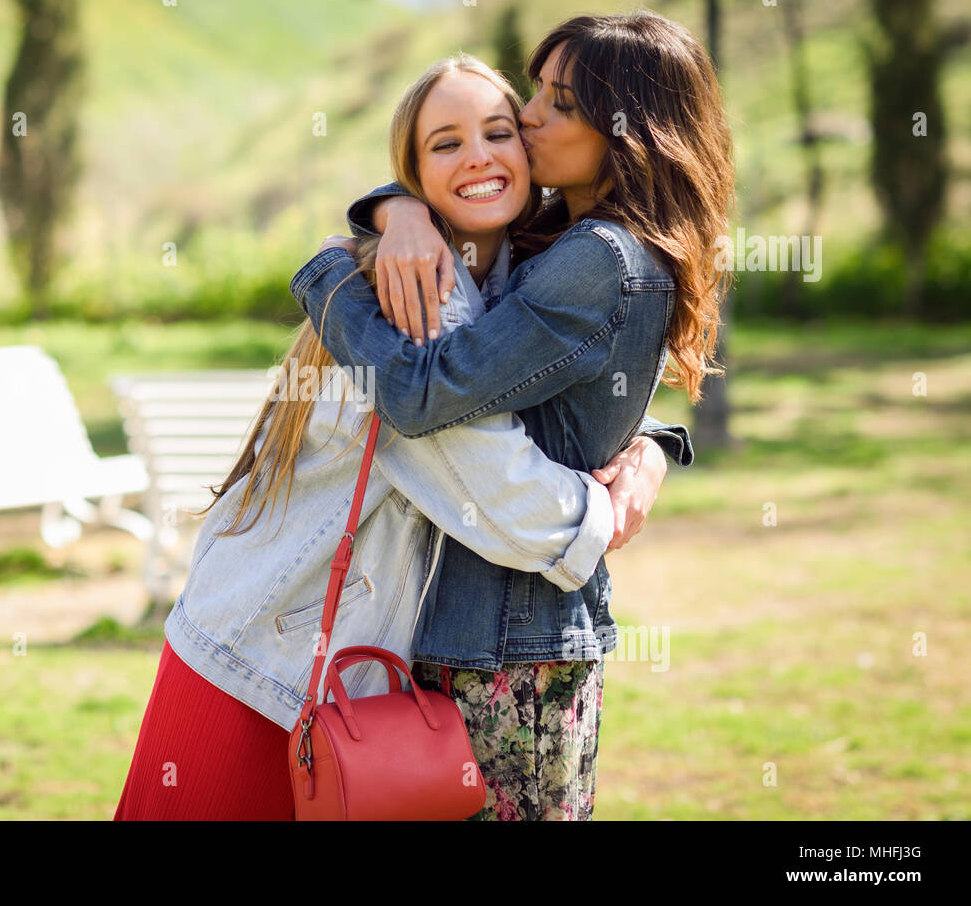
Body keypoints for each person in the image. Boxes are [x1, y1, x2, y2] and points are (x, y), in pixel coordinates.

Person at [114, 51, 688, 820]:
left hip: (339, 675)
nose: (480, 155)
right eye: (445, 144)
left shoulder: (513, 274)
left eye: (498, 131)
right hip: (256, 660)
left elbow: (559, 370)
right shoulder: (417, 298)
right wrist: (602, 514)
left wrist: (649, 443)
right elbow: (503, 498)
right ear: (414, 170)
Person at [292, 10, 734, 820]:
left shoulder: (598, 259)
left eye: (559, 104)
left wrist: (327, 279)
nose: (528, 117)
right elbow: (566, 390)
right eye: (535, 92)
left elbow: (425, 393)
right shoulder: (576, 236)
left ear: (627, 134)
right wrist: (401, 211)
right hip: (485, 635)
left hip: (509, 648)